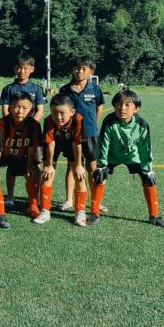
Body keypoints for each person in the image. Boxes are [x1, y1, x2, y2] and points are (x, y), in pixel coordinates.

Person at [89, 90, 164, 228]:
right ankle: (94, 214)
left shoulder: (142, 124)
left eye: (127, 105)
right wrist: (101, 165)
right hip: (112, 156)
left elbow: (145, 148)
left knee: (149, 180)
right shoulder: (109, 121)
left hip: (133, 156)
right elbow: (103, 144)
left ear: (136, 108)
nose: (122, 108)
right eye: (118, 104)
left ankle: (154, 215)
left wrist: (148, 170)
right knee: (99, 177)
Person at [55, 55, 105, 212]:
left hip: (90, 133)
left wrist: (92, 124)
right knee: (71, 167)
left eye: (84, 69)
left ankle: (95, 201)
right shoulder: (65, 89)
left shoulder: (95, 89)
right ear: (72, 70)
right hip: (70, 135)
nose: (80, 72)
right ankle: (69, 200)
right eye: (77, 68)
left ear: (91, 71)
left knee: (92, 167)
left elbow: (99, 108)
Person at [0, 54, 45, 206]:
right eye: (19, 68)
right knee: (11, 165)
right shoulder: (8, 88)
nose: (22, 71)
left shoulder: (36, 88)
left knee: (34, 165)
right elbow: (5, 110)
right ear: (15, 68)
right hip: (12, 133)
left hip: (31, 132)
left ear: (32, 69)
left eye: (25, 68)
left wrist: (30, 126)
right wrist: (13, 126)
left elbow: (40, 110)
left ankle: (36, 197)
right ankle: (10, 197)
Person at [39, 95, 88, 226]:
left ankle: (80, 212)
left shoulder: (78, 119)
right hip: (55, 144)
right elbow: (50, 143)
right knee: (47, 174)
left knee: (79, 175)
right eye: (54, 113)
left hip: (72, 144)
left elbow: (77, 143)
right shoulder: (49, 120)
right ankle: (45, 211)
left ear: (72, 112)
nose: (58, 117)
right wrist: (49, 165)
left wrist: (79, 165)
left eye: (62, 113)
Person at [0, 92, 43, 217]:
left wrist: (29, 165)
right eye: (16, 107)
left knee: (33, 170)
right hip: (4, 153)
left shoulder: (34, 125)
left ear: (31, 109)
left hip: (23, 153)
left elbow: (32, 146)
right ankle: (6, 197)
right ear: (10, 107)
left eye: (25, 108)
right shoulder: (2, 123)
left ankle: (33, 202)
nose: (20, 111)